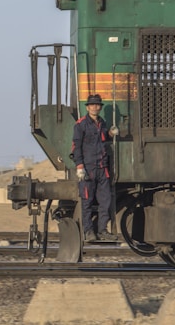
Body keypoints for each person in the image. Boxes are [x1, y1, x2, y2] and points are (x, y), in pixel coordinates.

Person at [72, 94, 119, 241]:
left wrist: (110, 133)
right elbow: (76, 146)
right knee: (87, 201)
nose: (95, 107)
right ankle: (88, 232)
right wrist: (80, 166)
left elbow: (103, 139)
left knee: (105, 201)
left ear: (100, 107)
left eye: (97, 105)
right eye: (92, 105)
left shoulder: (102, 123)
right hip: (88, 169)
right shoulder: (80, 125)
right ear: (87, 107)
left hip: (102, 168)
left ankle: (102, 230)